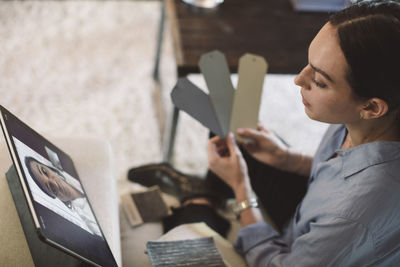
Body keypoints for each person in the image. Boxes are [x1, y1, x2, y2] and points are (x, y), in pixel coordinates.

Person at [129, 0, 400, 265]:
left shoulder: (355, 214)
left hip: (295, 247)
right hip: (309, 208)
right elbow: (335, 170)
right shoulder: (367, 119)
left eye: (319, 81)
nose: (299, 79)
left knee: (182, 252)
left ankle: (197, 200)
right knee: (231, 128)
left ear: (372, 106)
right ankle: (209, 190)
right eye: (309, 65)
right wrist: (286, 158)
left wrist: (241, 191)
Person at [25, 156, 102, 236]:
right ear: (52, 196)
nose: (52, 181)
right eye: (49, 186)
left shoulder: (75, 172)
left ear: (52, 169)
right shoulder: (89, 222)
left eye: (44, 171)